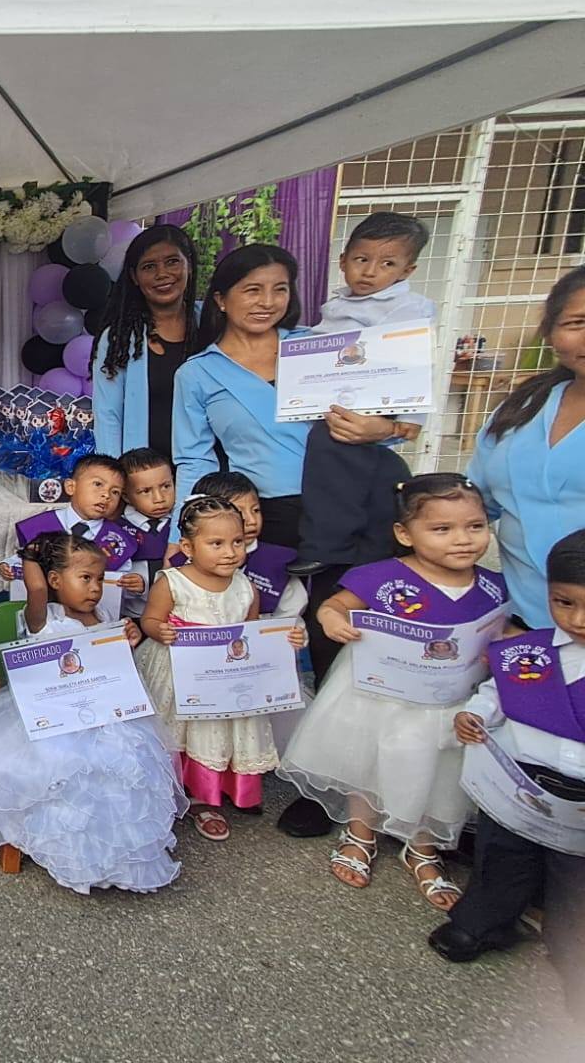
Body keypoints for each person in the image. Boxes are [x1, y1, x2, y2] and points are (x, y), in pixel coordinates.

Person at [172, 244, 407, 838]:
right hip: (264, 516)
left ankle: (333, 786)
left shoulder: (323, 347)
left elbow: (399, 415)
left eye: (279, 289)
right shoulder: (198, 372)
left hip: (350, 504)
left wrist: (387, 426)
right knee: (264, 640)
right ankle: (256, 765)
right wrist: (187, 532)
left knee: (340, 641)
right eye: (251, 290)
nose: (267, 302)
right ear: (220, 298)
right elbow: (193, 457)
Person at [279, 474, 508, 911]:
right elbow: (336, 604)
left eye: (475, 526)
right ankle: (360, 831)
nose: (462, 539)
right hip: (379, 695)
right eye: (442, 529)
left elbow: (504, 631)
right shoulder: (382, 576)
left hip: (447, 701)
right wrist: (331, 619)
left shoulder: (493, 585)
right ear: (405, 533)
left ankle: (423, 846)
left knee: (438, 772)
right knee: (367, 760)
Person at [0, 531, 186, 893]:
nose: (95, 588)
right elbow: (35, 588)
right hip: (50, 717)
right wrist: (31, 554)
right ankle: (62, 845)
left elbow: (111, 668)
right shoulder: (42, 617)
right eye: (85, 578)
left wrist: (127, 640)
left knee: (126, 766)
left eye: (99, 579)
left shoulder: (105, 615)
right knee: (60, 768)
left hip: (102, 713)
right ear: (54, 580)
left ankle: (116, 852)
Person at [433, 530, 585, 1019]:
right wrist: (474, 714)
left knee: (576, 884)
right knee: (501, 857)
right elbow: (496, 693)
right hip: (517, 782)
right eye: (564, 602)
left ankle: (574, 960)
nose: (577, 620)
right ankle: (484, 922)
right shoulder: (528, 650)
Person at [135, 496, 308, 841]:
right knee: (180, 733)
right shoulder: (172, 582)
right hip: (179, 673)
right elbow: (149, 619)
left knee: (216, 733)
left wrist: (285, 639)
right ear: (188, 547)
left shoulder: (246, 587)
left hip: (226, 681)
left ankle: (207, 796)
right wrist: (159, 630)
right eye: (216, 544)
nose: (230, 552)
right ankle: (173, 792)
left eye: (237, 542)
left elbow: (252, 634)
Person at [291, 212, 434, 574]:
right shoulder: (337, 305)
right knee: (353, 474)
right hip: (340, 401)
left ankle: (328, 546)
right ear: (343, 261)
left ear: (407, 271)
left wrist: (411, 419)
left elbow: (418, 363)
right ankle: (365, 553)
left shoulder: (408, 307)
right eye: (361, 259)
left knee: (333, 453)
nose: (370, 272)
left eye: (387, 264)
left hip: (376, 403)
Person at [467, 265, 585, 633]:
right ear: (550, 332)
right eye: (577, 323)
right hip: (521, 626)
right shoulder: (524, 406)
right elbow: (474, 501)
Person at [91, 225, 200, 456]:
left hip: (210, 468)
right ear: (134, 277)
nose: (162, 274)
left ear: (189, 265)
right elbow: (108, 415)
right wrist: (115, 473)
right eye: (149, 266)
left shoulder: (214, 324)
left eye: (172, 262)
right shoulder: (118, 337)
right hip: (144, 472)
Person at [3, 454, 144, 623]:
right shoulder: (40, 526)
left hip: (94, 622)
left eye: (115, 492)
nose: (106, 495)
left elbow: (120, 584)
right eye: (98, 484)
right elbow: (24, 560)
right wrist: (7, 567)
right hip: (45, 620)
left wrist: (133, 586)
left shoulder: (119, 540)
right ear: (71, 487)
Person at [188, 473, 306, 619]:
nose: (252, 520)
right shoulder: (183, 564)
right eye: (239, 512)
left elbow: (292, 613)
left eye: (255, 510)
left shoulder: (278, 562)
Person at [117, 448, 178, 619]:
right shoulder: (116, 530)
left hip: (180, 618)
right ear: (126, 496)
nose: (159, 498)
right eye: (145, 491)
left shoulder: (184, 525)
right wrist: (135, 585)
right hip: (134, 617)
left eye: (166, 486)